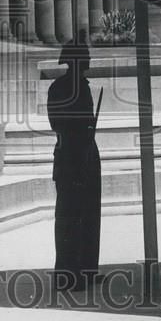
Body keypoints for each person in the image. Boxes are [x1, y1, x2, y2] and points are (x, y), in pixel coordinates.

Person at [47, 32, 101, 291]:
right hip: (71, 156)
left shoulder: (83, 86)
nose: (89, 60)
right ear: (75, 60)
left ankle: (87, 270)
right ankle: (68, 274)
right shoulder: (59, 88)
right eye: (86, 56)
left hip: (87, 153)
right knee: (69, 216)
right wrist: (81, 131)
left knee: (89, 214)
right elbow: (57, 124)